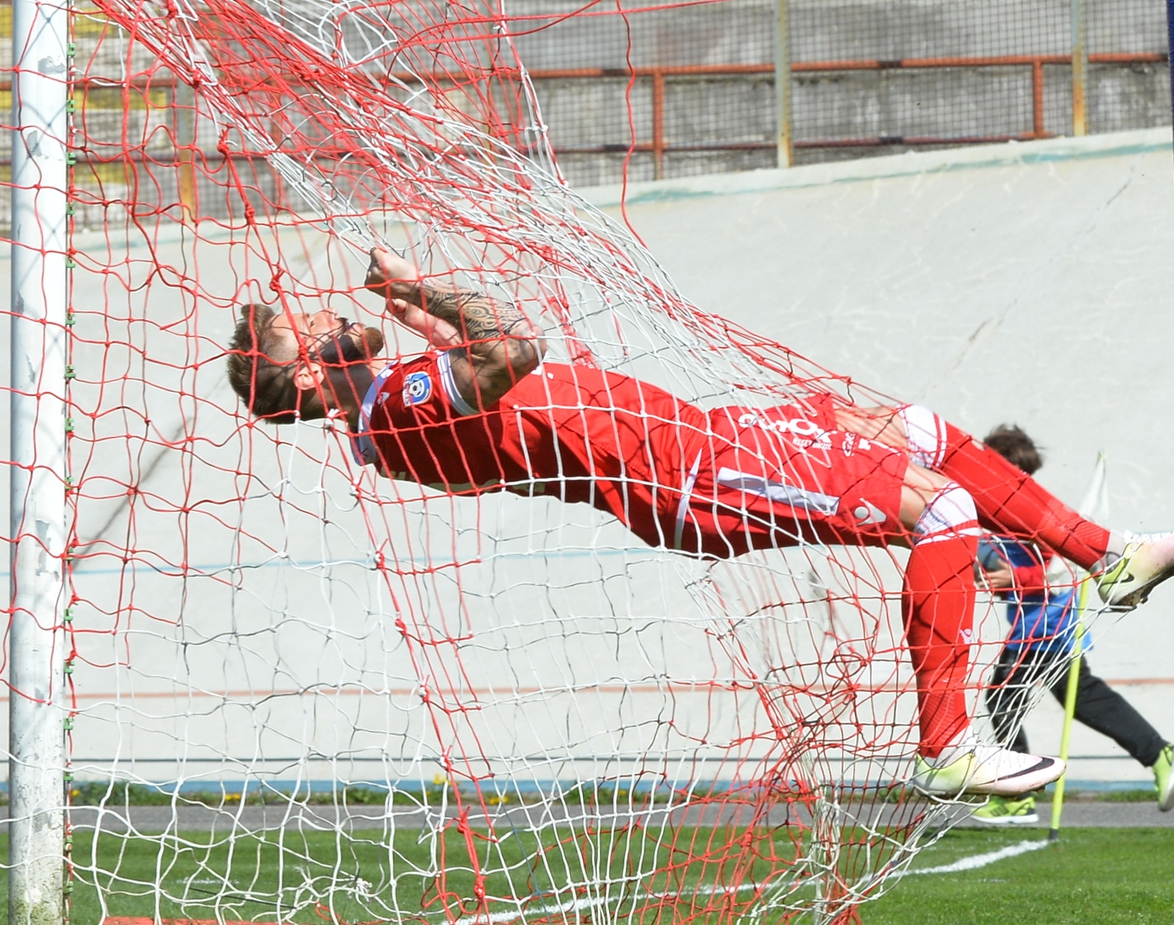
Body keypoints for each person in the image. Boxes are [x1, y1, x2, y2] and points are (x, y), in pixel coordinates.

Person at [225, 248, 1174, 797]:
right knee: (946, 507)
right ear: (308, 374)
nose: (319, 322)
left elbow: (496, 362)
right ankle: (949, 745)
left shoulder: (393, 402)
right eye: (302, 334)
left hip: (696, 438)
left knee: (918, 429)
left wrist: (411, 312)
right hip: (688, 474)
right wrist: (424, 291)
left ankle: (1110, 556)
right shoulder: (394, 411)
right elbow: (513, 345)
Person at [971, 425, 1174, 824]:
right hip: (1044, 628)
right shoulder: (998, 514)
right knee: (1080, 697)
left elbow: (1062, 569)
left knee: (1003, 700)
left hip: (1044, 629)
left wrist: (1015, 579)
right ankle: (1161, 755)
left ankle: (1017, 797)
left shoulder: (1025, 509)